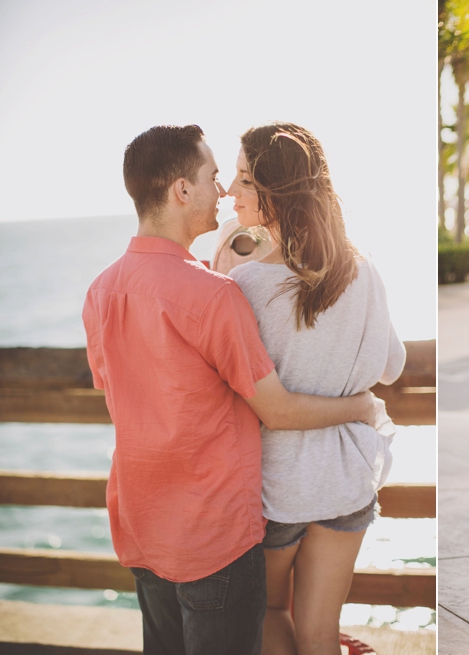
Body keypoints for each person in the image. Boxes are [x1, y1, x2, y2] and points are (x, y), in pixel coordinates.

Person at [82, 124, 380, 655]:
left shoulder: (101, 290)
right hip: (214, 533)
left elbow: (117, 394)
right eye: (214, 177)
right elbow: (277, 408)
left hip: (142, 523)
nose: (222, 191)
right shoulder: (215, 295)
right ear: (181, 191)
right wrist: (360, 405)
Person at [225, 122, 406, 655]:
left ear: (274, 193)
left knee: (271, 612)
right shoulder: (364, 271)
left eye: (242, 180)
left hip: (276, 486)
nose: (230, 193)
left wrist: (230, 260)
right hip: (347, 478)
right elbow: (391, 366)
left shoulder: (245, 284)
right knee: (323, 633)